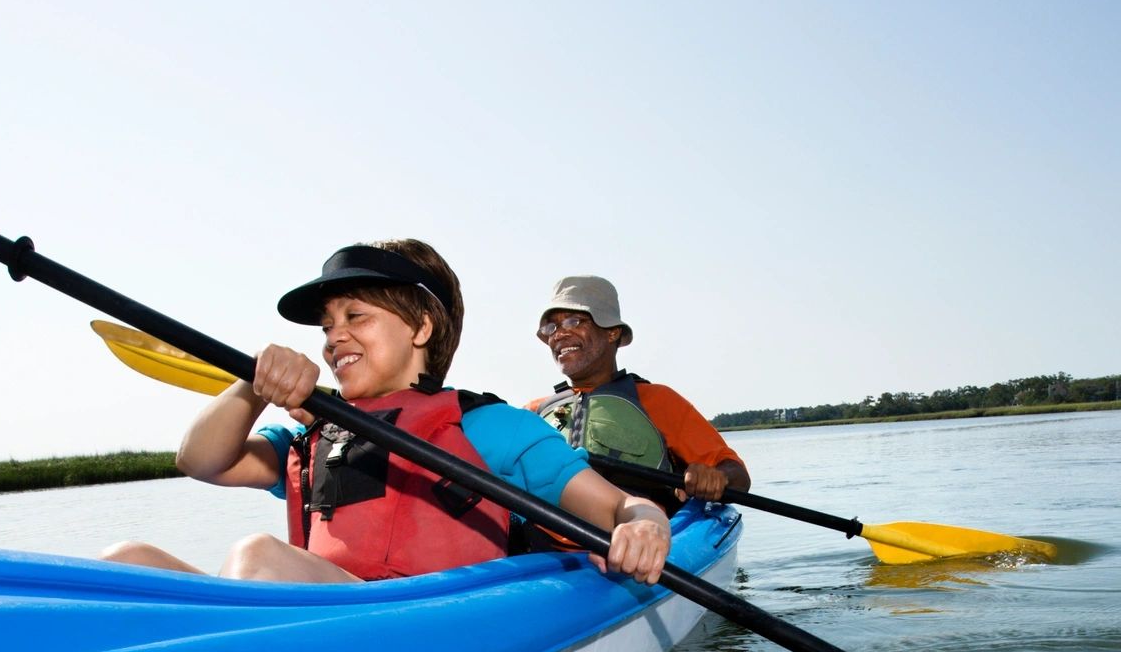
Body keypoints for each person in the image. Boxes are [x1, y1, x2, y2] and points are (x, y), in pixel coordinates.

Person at [102, 241, 672, 585]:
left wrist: (645, 526)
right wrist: (252, 386)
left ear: (422, 328)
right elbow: (200, 459)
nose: (335, 337)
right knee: (125, 563)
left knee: (257, 557)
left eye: (357, 317)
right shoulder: (311, 435)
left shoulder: (487, 427)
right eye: (328, 326)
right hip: (326, 628)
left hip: (428, 630)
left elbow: (620, 505)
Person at [529, 275, 750, 511]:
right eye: (551, 327)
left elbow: (737, 475)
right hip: (540, 542)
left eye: (574, 322)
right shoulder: (533, 413)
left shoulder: (658, 401)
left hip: (637, 536)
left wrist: (716, 477)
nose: (558, 334)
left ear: (612, 332)